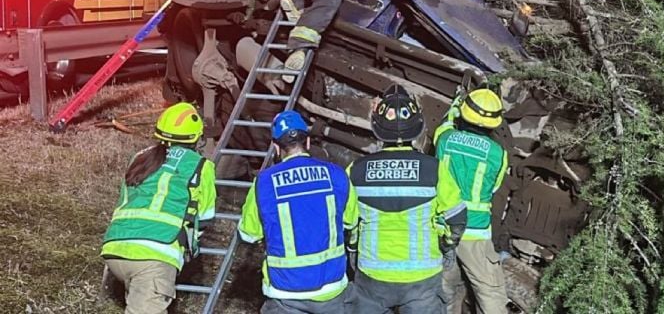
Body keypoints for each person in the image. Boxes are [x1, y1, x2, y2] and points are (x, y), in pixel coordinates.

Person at [347, 84, 467, 313]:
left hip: (373, 275)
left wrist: (353, 251)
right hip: (422, 278)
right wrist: (447, 246)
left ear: (377, 127)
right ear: (417, 126)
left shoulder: (356, 170)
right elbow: (457, 217)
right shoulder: (434, 169)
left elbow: (349, 224)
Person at [101, 102, 216, 314]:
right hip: (154, 253)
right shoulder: (200, 165)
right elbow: (206, 215)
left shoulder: (140, 157)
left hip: (115, 248)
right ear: (196, 137)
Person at [238, 110, 358, 313]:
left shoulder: (263, 183)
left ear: (276, 147)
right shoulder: (337, 175)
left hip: (285, 293)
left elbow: (248, 234)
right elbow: (351, 222)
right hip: (332, 290)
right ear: (308, 142)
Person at [435, 88, 509, 314]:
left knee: (443, 292)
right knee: (490, 294)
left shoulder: (444, 139)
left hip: (443, 229)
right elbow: (494, 187)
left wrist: (455, 107)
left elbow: (445, 125)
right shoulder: (499, 154)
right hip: (476, 234)